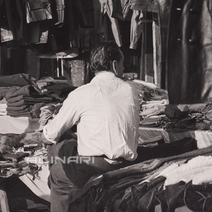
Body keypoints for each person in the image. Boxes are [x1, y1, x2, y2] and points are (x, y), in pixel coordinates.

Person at [41, 41, 140, 212]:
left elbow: (50, 134)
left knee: (57, 173)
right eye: (123, 64)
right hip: (125, 163)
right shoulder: (131, 90)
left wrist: (45, 131)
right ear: (115, 65)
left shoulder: (82, 93)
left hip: (96, 166)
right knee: (68, 149)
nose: (124, 68)